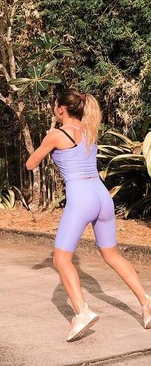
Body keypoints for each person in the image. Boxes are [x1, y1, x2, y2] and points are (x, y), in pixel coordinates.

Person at [26, 89, 151, 341]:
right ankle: (147, 303)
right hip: (101, 196)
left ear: (61, 109)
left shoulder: (56, 134)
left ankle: (82, 312)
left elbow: (30, 163)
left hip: (81, 197)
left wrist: (48, 147)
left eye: (54, 105)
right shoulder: (88, 130)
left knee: (61, 260)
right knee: (112, 255)